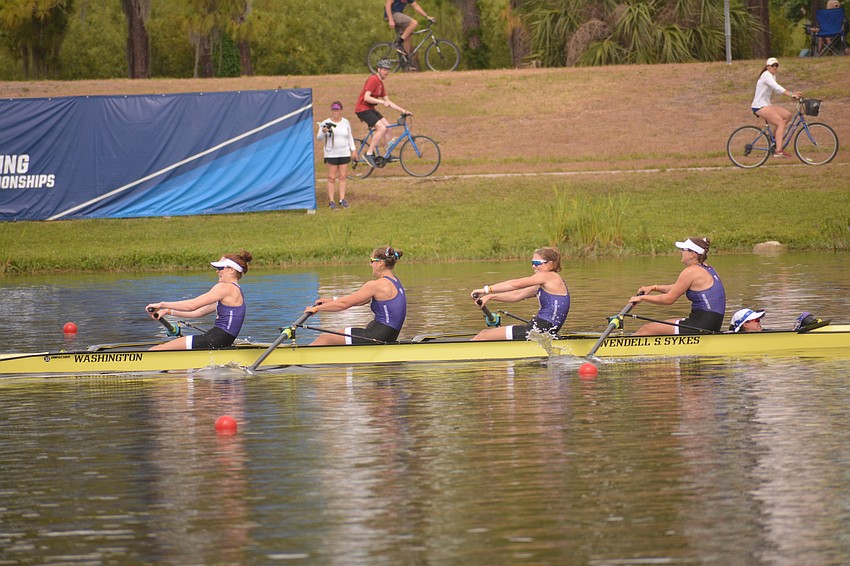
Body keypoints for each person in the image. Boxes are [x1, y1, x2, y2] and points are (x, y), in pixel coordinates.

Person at [146, 250, 252, 350]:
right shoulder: (236, 291)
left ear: (232, 270)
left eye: (220, 268)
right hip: (222, 340)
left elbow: (192, 305)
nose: (217, 271)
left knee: (157, 349)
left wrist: (161, 304)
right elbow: (198, 313)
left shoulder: (225, 287)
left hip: (214, 339)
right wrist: (169, 311)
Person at [305, 246, 406, 345]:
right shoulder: (395, 281)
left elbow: (343, 304)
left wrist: (316, 309)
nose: (370, 264)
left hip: (377, 335)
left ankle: (299, 359)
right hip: (388, 335)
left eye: (372, 260)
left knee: (325, 339)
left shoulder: (377, 285)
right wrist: (331, 300)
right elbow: (360, 300)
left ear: (380, 263)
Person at [629, 238, 726, 336]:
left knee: (646, 330)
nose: (681, 252)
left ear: (692, 254)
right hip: (711, 322)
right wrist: (654, 288)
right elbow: (678, 288)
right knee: (657, 327)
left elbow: (668, 299)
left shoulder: (690, 272)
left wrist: (641, 298)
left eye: (683, 249)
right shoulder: (707, 268)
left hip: (702, 324)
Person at [469, 247, 570, 341]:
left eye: (537, 263)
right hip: (542, 329)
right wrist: (491, 297)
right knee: (496, 332)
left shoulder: (549, 277)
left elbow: (514, 284)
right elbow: (517, 295)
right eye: (532, 263)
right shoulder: (546, 284)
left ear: (550, 264)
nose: (533, 266)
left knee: (483, 335)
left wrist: (486, 290)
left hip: (540, 329)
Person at [354, 59, 411, 168]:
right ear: (378, 69)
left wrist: (404, 111)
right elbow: (366, 97)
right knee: (382, 128)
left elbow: (388, 102)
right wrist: (381, 102)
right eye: (384, 69)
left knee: (388, 127)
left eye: (388, 70)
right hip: (362, 109)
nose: (386, 72)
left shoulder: (380, 84)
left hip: (370, 109)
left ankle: (387, 154)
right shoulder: (373, 80)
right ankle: (369, 153)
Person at [751, 58, 802, 159]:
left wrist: (793, 95)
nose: (774, 67)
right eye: (772, 65)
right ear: (767, 67)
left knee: (787, 115)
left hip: (766, 105)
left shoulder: (772, 76)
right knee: (780, 123)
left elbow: (777, 91)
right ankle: (778, 151)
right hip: (759, 106)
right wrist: (791, 94)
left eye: (776, 65)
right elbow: (776, 87)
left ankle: (774, 140)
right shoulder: (766, 75)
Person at [317, 101, 357, 210]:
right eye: (334, 110)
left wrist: (353, 150)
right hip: (331, 154)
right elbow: (319, 138)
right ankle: (331, 200)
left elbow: (350, 137)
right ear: (331, 111)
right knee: (331, 177)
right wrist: (323, 131)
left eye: (338, 110)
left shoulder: (345, 122)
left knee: (343, 176)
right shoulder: (326, 122)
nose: (336, 112)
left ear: (341, 110)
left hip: (344, 153)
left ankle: (342, 199)